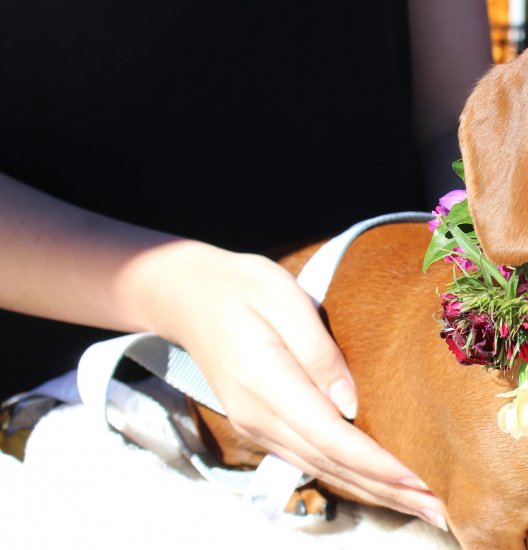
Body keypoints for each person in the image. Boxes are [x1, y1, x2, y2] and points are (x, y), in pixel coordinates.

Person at [0, 0, 491, 531]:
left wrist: (483, 268)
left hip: (392, 381)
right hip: (78, 420)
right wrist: (175, 291)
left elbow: (450, 117)